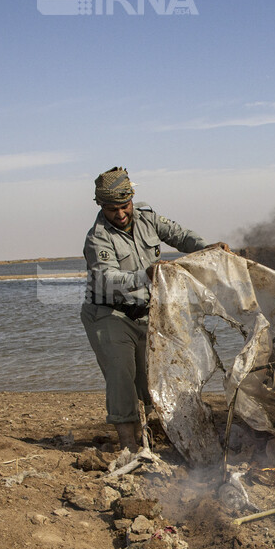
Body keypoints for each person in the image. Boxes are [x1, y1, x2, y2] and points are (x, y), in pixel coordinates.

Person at [81, 166, 230, 452]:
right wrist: (144, 275)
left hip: (146, 313)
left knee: (150, 378)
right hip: (109, 314)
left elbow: (179, 235)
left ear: (132, 199)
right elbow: (106, 279)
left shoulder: (147, 218)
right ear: (101, 206)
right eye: (112, 209)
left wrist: (207, 248)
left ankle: (148, 436)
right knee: (121, 374)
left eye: (124, 206)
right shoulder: (97, 237)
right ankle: (129, 446)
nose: (120, 214)